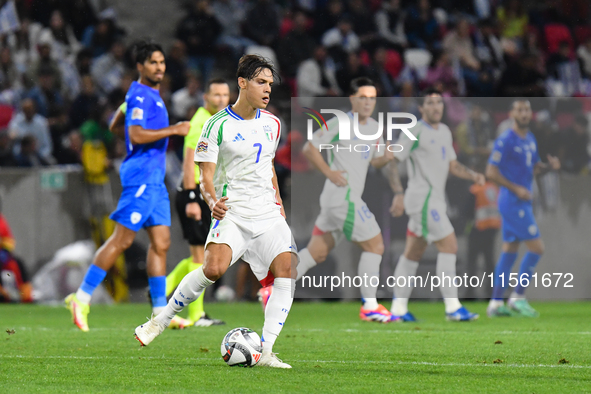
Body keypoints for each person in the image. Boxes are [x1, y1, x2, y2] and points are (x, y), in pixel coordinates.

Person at [134, 55, 297, 369]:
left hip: (267, 213)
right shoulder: (216, 124)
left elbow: (269, 168)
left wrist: (279, 206)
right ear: (242, 83)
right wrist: (210, 201)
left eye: (270, 84)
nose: (267, 90)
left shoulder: (273, 123)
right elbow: (204, 176)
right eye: (261, 82)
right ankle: (159, 321)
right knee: (212, 269)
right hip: (232, 212)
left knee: (287, 270)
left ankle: (267, 351)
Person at [65, 40, 190, 332]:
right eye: (153, 63)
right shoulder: (143, 96)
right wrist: (174, 130)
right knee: (121, 240)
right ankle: (81, 298)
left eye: (161, 62)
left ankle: (160, 313)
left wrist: (126, 107)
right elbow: (134, 133)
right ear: (140, 66)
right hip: (142, 177)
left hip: (155, 180)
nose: (159, 67)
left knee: (161, 244)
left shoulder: (141, 95)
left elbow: (115, 125)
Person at [293, 77, 399, 323]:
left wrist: (388, 155)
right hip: (344, 198)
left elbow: (374, 160)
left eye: (372, 98)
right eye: (362, 97)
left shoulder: (374, 127)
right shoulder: (341, 122)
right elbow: (310, 148)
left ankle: (272, 289)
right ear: (352, 98)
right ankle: (370, 306)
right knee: (376, 246)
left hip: (337, 200)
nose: (367, 102)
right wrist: (329, 172)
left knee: (316, 253)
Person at [389, 88, 485, 322]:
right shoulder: (414, 131)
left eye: (439, 103)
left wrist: (473, 175)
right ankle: (452, 307)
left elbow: (452, 165)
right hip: (422, 200)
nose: (435, 107)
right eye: (430, 103)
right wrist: (398, 193)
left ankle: (398, 309)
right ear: (421, 109)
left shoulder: (444, 131)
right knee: (449, 244)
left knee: (413, 252)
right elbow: (393, 161)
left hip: (435, 200)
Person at [165, 78, 230, 329]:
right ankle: (197, 314)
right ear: (206, 97)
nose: (221, 99)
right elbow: (188, 158)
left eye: (225, 95)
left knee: (200, 255)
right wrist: (192, 197)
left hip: (202, 194)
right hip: (192, 193)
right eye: (216, 95)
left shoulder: (215, 120)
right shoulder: (202, 121)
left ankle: (163, 291)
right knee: (201, 257)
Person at [486, 100, 560, 318]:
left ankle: (496, 303)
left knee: (509, 251)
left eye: (527, 109)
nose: (524, 113)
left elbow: (533, 168)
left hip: (523, 200)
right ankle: (517, 298)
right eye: (519, 110)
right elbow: (491, 172)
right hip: (512, 201)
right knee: (537, 248)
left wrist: (549, 167)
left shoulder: (530, 139)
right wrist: (515, 188)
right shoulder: (506, 140)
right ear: (511, 114)